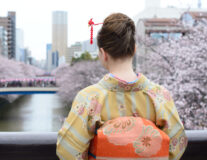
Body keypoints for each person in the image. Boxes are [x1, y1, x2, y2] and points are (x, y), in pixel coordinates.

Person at [56, 13, 187, 160]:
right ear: (134, 49)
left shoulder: (89, 98)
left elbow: (67, 151)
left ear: (103, 53)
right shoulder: (160, 95)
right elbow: (177, 145)